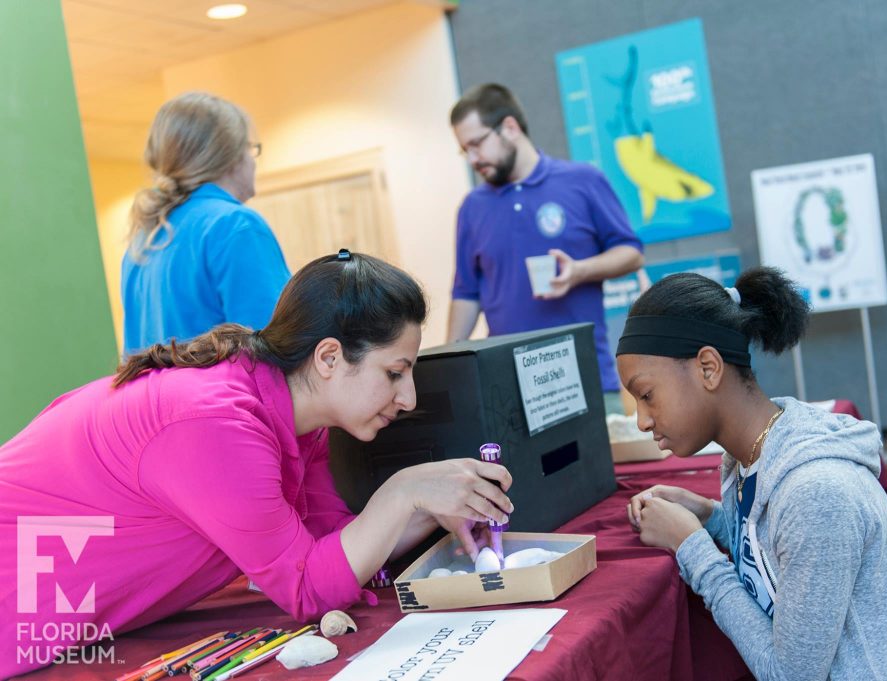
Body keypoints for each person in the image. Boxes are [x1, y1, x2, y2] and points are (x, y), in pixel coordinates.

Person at [0, 251, 513, 678]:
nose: (408, 398)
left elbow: (333, 550)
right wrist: (405, 491)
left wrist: (434, 504)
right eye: (395, 373)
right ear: (329, 358)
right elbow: (308, 588)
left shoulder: (293, 417)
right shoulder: (218, 424)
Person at [619, 268, 887, 680]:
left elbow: (790, 674)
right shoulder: (749, 456)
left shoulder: (817, 493)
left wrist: (692, 548)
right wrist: (714, 519)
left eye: (646, 395)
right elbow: (778, 554)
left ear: (708, 368)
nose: (643, 421)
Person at [447, 83, 644, 413]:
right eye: (464, 150)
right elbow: (466, 293)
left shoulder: (582, 180)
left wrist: (581, 271)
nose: (472, 159)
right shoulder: (472, 207)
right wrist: (449, 366)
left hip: (586, 380)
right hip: (510, 392)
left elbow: (631, 252)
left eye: (476, 144)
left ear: (510, 127)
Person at [121, 91, 291, 354]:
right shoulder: (234, 226)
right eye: (250, 149)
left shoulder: (143, 241)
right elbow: (278, 349)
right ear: (231, 157)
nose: (252, 162)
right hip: (228, 395)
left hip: (169, 396)